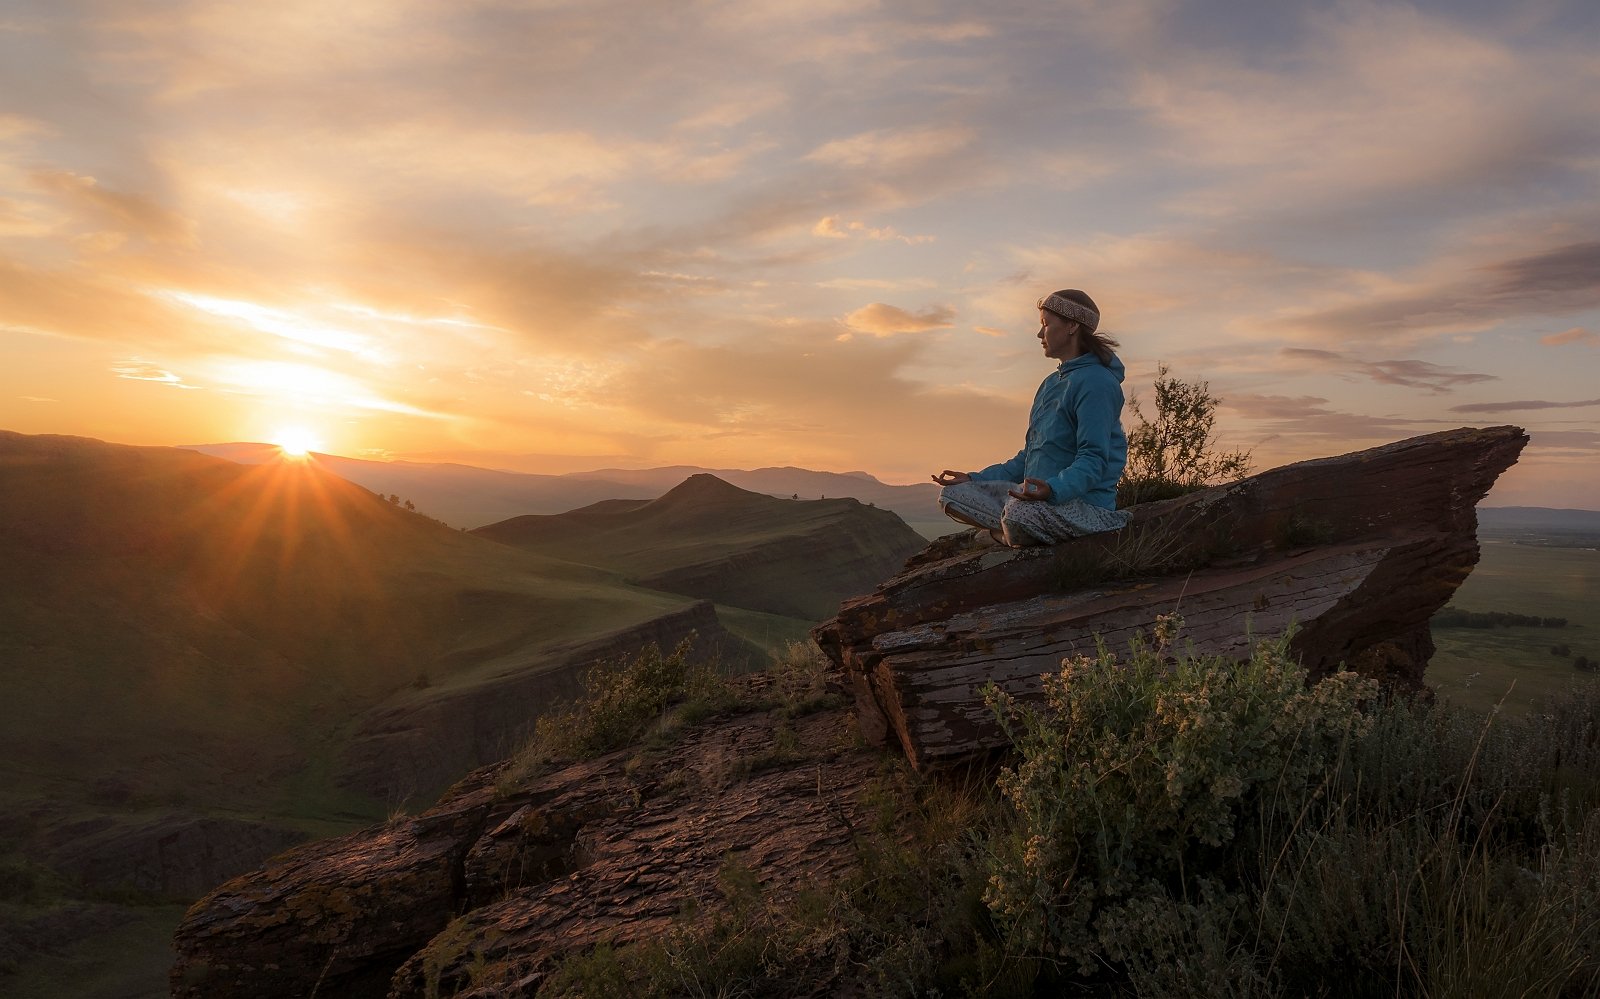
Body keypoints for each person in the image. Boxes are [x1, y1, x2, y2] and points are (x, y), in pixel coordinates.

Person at [931, 289, 1131, 546]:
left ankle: (1002, 534)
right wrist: (974, 478)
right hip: (1034, 500)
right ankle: (1010, 531)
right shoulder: (1049, 384)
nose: (1039, 334)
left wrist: (1053, 490)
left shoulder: (1097, 383)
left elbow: (1094, 459)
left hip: (1083, 506)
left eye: (1045, 325)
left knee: (1019, 514)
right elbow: (1028, 457)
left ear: (1071, 326)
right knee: (952, 495)